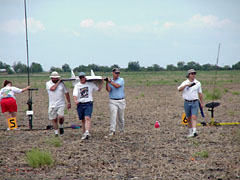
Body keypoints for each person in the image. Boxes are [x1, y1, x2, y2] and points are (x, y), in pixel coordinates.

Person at [73, 72, 103, 140]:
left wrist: (102, 82)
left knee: (87, 118)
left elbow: (98, 89)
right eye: (80, 77)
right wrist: (75, 100)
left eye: (83, 77)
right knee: (83, 120)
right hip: (80, 104)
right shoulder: (77, 85)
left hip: (88, 103)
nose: (82, 79)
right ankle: (84, 133)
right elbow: (75, 94)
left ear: (85, 77)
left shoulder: (90, 84)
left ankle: (87, 132)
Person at [178, 69, 204, 137]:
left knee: (194, 116)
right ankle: (190, 132)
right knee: (188, 118)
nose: (193, 75)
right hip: (187, 102)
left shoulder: (198, 83)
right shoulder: (185, 82)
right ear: (189, 75)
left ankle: (194, 131)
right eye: (192, 74)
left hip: (195, 102)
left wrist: (201, 103)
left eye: (194, 73)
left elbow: (200, 93)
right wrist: (186, 85)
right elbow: (179, 89)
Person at [46, 71, 71, 137]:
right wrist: (59, 82)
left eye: (56, 78)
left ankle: (61, 126)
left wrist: (69, 102)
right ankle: (56, 133)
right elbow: (53, 88)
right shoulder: (48, 83)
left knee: (61, 117)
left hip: (61, 103)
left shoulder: (62, 84)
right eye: (53, 78)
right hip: (52, 104)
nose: (54, 79)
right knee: (54, 119)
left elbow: (66, 93)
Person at [106, 68, 126, 136]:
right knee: (113, 116)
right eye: (116, 73)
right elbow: (108, 90)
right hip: (113, 100)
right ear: (113, 73)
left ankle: (121, 130)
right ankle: (112, 131)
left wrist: (110, 81)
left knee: (121, 117)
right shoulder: (111, 81)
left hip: (121, 100)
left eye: (118, 73)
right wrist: (107, 82)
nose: (117, 74)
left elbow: (117, 86)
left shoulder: (121, 80)